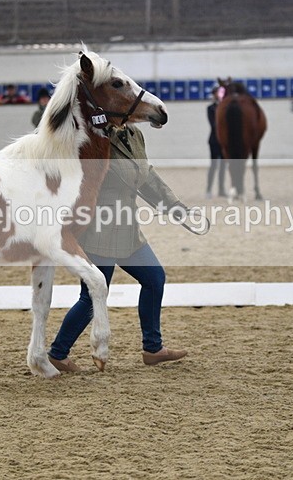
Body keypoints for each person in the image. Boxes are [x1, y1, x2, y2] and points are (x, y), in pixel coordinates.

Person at [48, 124, 189, 372]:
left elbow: (146, 174)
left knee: (155, 278)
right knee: (93, 296)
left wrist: (171, 203)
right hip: (100, 230)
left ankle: (152, 348)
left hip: (127, 228)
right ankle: (58, 353)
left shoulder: (135, 135)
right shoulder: (94, 138)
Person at [205, 86, 226, 198]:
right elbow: (214, 124)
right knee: (214, 165)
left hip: (223, 141)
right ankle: (209, 189)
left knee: (223, 166)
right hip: (214, 140)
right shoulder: (211, 108)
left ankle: (221, 189)